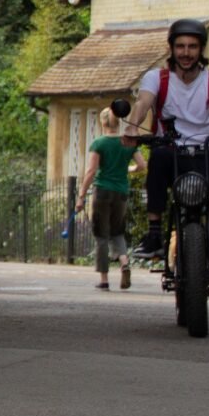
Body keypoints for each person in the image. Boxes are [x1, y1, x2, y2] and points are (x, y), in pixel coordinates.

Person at [123, 19, 209, 299]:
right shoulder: (156, 78)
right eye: (181, 46)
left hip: (204, 154)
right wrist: (132, 128)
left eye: (192, 47)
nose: (186, 52)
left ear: (201, 49)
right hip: (169, 151)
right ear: (171, 48)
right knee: (157, 159)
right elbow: (142, 104)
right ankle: (154, 234)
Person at [75, 106, 146, 290]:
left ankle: (104, 279)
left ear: (103, 122)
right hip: (121, 192)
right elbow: (141, 165)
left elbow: (91, 171)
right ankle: (124, 263)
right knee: (117, 232)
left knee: (101, 235)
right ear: (118, 122)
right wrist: (128, 169)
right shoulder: (128, 143)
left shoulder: (99, 144)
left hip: (103, 191)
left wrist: (81, 195)